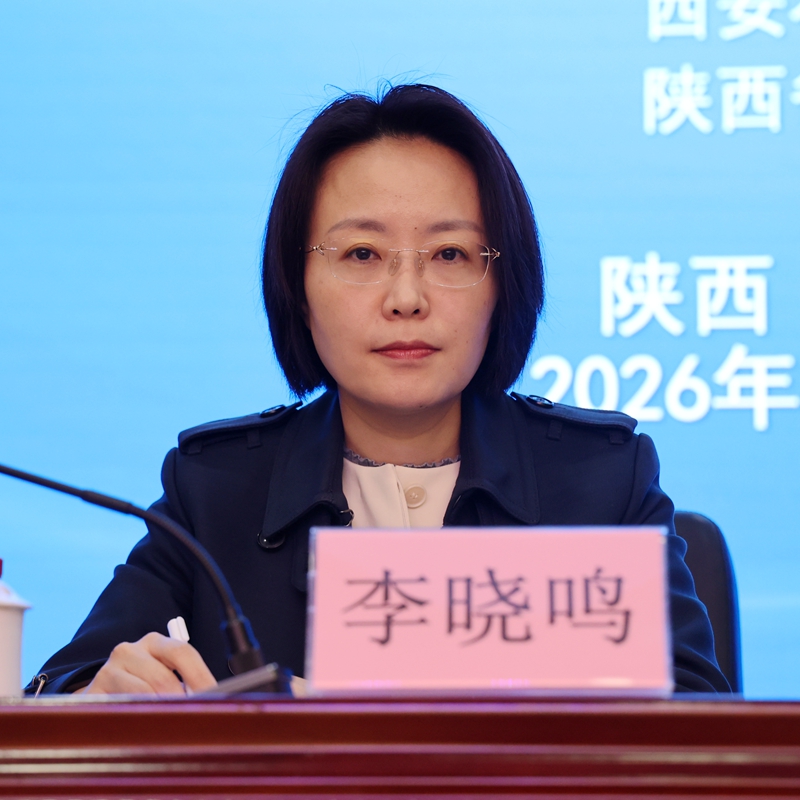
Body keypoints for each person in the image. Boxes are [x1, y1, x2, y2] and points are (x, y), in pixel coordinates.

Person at [29, 84, 731, 696]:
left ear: (503, 283)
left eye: (450, 253)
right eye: (362, 253)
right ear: (297, 284)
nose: (406, 297)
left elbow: (701, 734)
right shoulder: (216, 493)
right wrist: (100, 695)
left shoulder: (600, 482)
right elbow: (61, 693)